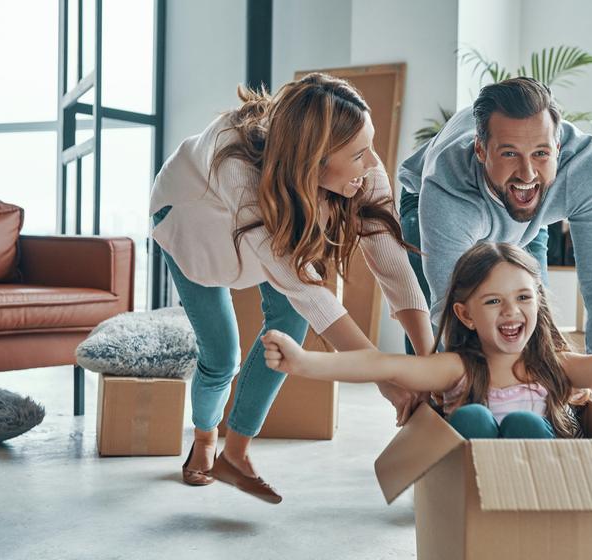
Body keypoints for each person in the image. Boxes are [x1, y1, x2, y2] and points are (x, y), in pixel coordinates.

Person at [149, 73, 434, 503]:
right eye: (359, 155)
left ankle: (237, 454)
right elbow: (310, 292)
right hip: (193, 228)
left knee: (289, 330)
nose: (374, 164)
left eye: (370, 146)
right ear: (315, 162)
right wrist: (386, 378)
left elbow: (394, 266)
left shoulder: (361, 172)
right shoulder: (239, 172)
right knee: (221, 355)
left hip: (266, 232)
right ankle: (206, 437)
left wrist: (428, 366)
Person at [261, 242, 592, 439]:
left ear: (538, 303)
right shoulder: (457, 367)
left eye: (524, 298)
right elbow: (384, 367)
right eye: (493, 302)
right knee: (474, 417)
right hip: (470, 492)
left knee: (527, 419)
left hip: (539, 488)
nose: (512, 312)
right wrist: (305, 363)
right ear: (464, 313)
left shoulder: (558, 368)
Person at [398, 77, 592, 404]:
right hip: (427, 202)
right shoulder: (447, 184)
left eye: (541, 153)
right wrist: (473, 390)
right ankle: (427, 412)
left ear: (558, 148)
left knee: (534, 319)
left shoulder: (585, 167)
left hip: (527, 216)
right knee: (436, 342)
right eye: (510, 153)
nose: (527, 172)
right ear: (480, 150)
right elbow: (451, 305)